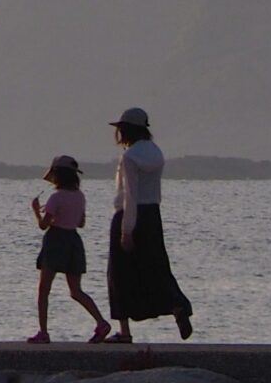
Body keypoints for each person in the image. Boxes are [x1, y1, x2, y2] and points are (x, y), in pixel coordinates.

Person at [104, 105, 194, 342]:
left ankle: (124, 332)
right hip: (153, 215)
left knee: (119, 274)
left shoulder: (129, 157)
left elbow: (130, 196)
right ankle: (177, 304)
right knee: (157, 267)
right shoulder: (156, 152)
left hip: (129, 214)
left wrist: (126, 230)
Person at [26, 153, 112, 343]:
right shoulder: (80, 196)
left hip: (56, 240)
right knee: (76, 291)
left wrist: (35, 210)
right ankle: (101, 322)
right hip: (74, 240)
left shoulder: (56, 197)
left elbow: (43, 225)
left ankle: (43, 332)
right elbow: (80, 222)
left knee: (44, 289)